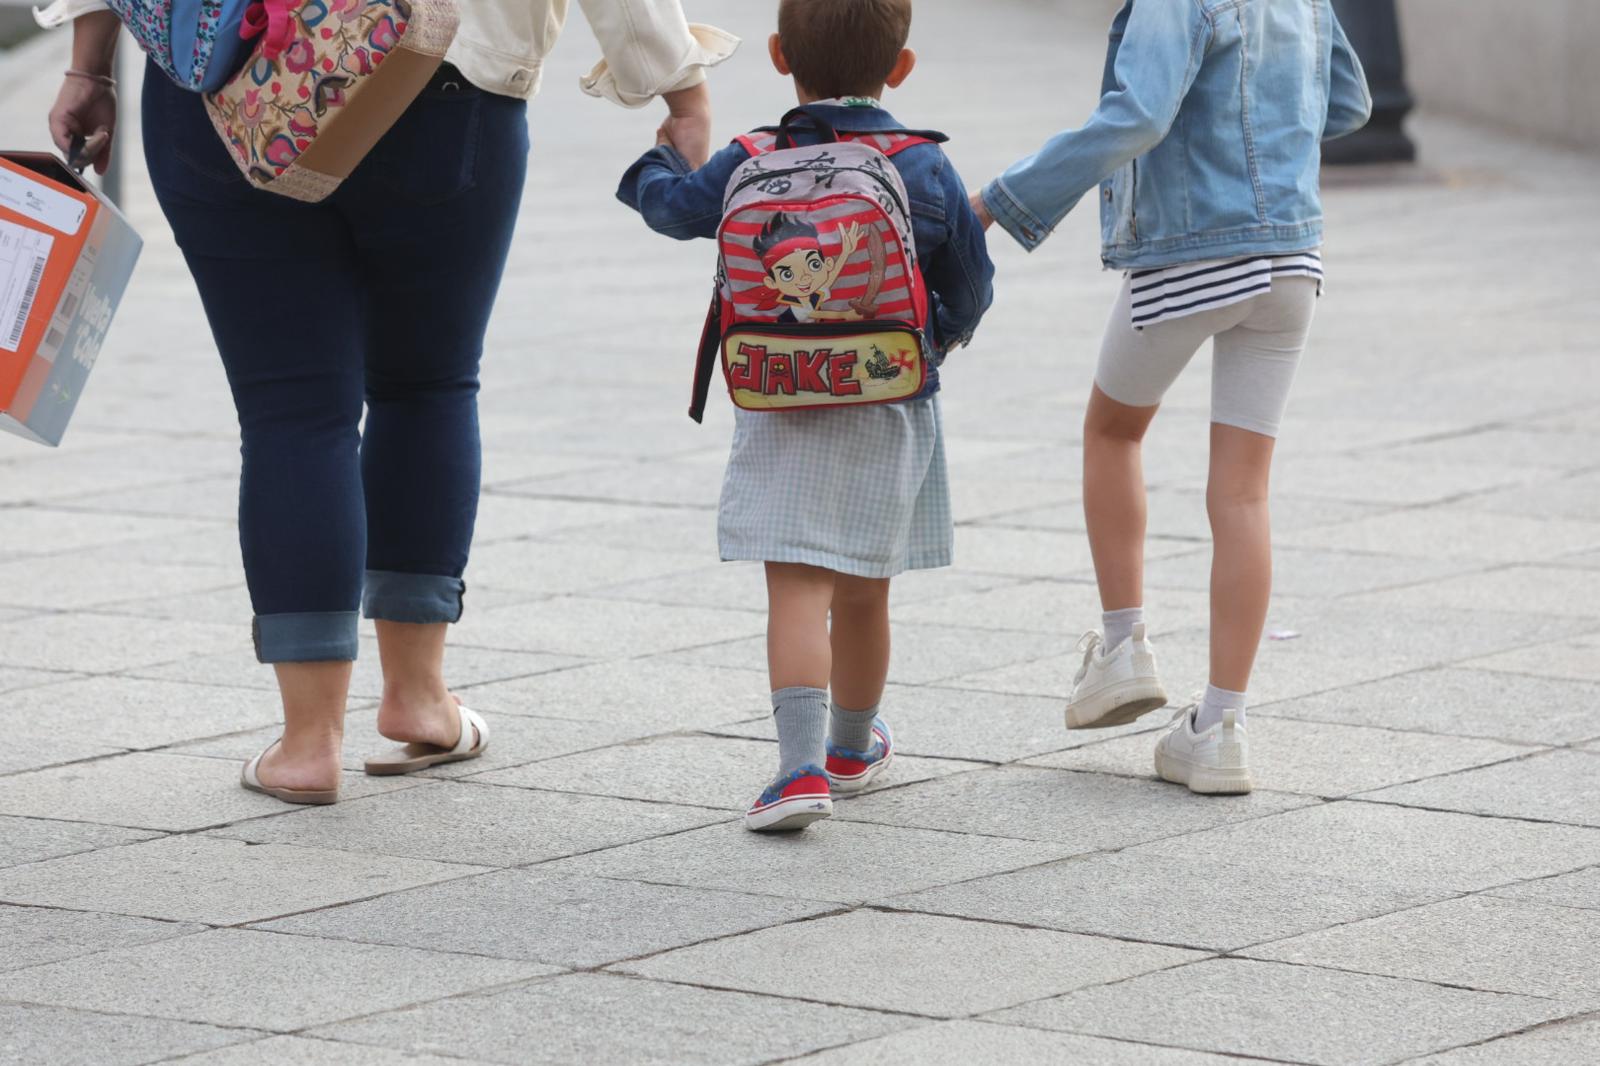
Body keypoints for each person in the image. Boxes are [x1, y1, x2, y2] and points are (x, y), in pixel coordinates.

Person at [44, 0, 736, 804]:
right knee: (427, 384)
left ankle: (308, 744)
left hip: (224, 78)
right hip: (438, 73)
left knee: (290, 413)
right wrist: (678, 87)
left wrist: (87, 64)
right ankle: (417, 696)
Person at [972, 0, 1371, 793]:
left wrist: (997, 203)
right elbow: (1351, 103)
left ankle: (1124, 648)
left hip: (1194, 253)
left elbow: (1141, 114)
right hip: (1292, 258)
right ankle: (1221, 727)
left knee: (1113, 432)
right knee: (1245, 494)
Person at [618, 0, 993, 831]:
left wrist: (656, 162)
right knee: (864, 589)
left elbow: (675, 210)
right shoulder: (923, 168)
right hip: (886, 398)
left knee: (795, 584)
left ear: (782, 55)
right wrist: (933, 346)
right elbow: (972, 286)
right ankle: (853, 749)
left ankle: (797, 772)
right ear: (900, 69)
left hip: (780, 398)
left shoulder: (753, 154)